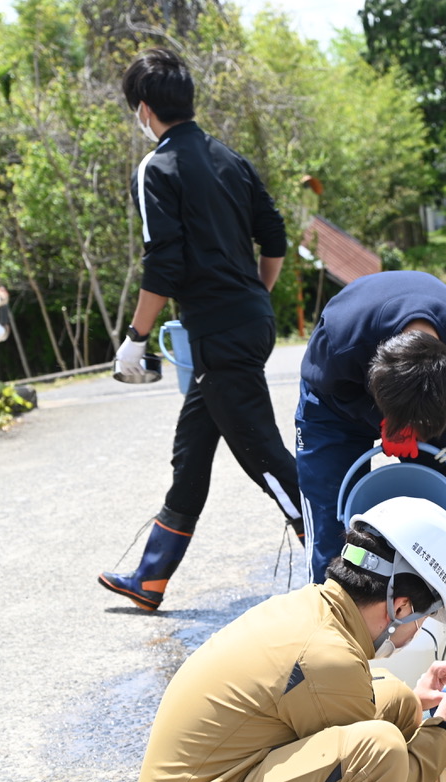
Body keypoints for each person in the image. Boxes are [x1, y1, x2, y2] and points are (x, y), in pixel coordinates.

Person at [132, 496, 446, 782]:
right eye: (423, 619)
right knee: (378, 752)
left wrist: (418, 702)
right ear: (401, 606)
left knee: (398, 699)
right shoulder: (327, 658)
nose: (418, 630)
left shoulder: (309, 609)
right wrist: (445, 728)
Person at [99, 48, 304, 612]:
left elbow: (162, 263)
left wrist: (135, 339)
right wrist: (257, 296)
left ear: (144, 109)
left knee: (263, 455)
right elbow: (276, 233)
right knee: (191, 452)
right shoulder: (229, 159)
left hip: (218, 333)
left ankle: (337, 557)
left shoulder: (156, 168)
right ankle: (151, 576)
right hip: (243, 325)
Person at [296, 270, 446, 585]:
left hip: (431, 412)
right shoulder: (342, 337)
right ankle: (331, 611)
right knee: (329, 517)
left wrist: (426, 432)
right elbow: (327, 386)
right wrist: (382, 420)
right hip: (336, 405)